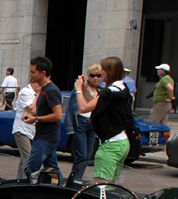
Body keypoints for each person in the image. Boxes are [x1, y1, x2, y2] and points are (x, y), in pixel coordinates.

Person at [75, 56, 137, 184]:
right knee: (111, 188)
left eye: (102, 69)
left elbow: (83, 108)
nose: (100, 73)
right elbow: (96, 103)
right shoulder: (122, 89)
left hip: (111, 144)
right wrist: (85, 89)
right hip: (122, 142)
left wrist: (78, 90)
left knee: (100, 189)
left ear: (109, 72)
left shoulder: (108, 92)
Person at [22, 56, 63, 182]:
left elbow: (58, 115)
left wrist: (35, 119)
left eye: (33, 72)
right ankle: (65, 190)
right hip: (45, 136)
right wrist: (32, 117)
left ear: (43, 73)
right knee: (52, 170)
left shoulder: (51, 91)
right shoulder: (45, 90)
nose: (30, 75)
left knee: (30, 169)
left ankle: (24, 196)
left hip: (46, 138)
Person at [69, 63, 102, 184]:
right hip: (81, 122)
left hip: (92, 124)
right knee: (81, 155)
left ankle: (77, 178)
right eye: (93, 75)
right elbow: (72, 108)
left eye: (98, 75)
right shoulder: (81, 88)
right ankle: (75, 179)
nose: (96, 78)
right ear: (88, 76)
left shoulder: (100, 91)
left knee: (87, 156)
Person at [11, 72, 39, 179]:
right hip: (21, 129)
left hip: (31, 130)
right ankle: (25, 181)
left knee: (24, 159)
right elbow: (33, 109)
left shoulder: (36, 94)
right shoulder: (25, 92)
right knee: (28, 157)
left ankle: (19, 180)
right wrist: (39, 94)